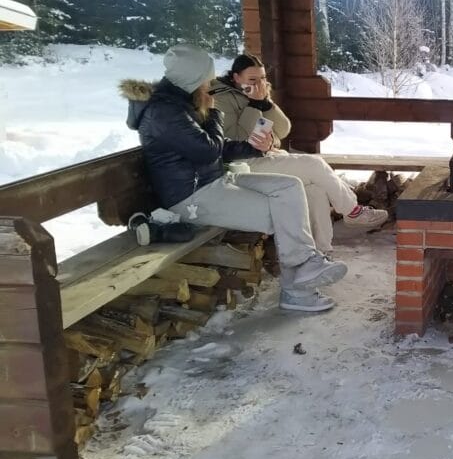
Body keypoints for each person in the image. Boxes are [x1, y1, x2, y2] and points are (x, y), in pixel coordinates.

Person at [123, 43, 347, 313]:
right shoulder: (164, 112)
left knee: (289, 187)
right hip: (190, 199)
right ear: (191, 78)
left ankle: (304, 268)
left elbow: (216, 148)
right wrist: (214, 114)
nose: (209, 85)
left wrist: (255, 148)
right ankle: (298, 288)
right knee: (284, 211)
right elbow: (207, 150)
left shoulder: (181, 103)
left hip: (213, 183)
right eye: (206, 79)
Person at [209, 54, 388, 254]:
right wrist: (254, 105)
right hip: (243, 164)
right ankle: (352, 211)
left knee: (315, 191)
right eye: (252, 79)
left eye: (262, 78)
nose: (259, 84)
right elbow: (238, 138)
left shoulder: (257, 94)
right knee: (314, 164)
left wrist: (265, 104)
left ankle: (319, 253)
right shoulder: (220, 99)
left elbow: (283, 129)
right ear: (236, 77)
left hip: (268, 155)